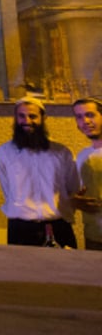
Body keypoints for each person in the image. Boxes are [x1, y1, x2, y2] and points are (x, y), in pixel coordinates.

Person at [0, 96, 79, 247]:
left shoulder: (61, 152)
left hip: (58, 226)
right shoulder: (5, 152)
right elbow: (7, 189)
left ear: (43, 118)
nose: (26, 121)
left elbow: (72, 188)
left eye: (32, 116)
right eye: (21, 116)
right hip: (20, 228)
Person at [71, 97, 102, 250]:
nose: (85, 121)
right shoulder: (83, 156)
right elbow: (81, 193)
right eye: (79, 117)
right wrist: (74, 201)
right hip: (94, 237)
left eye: (90, 115)